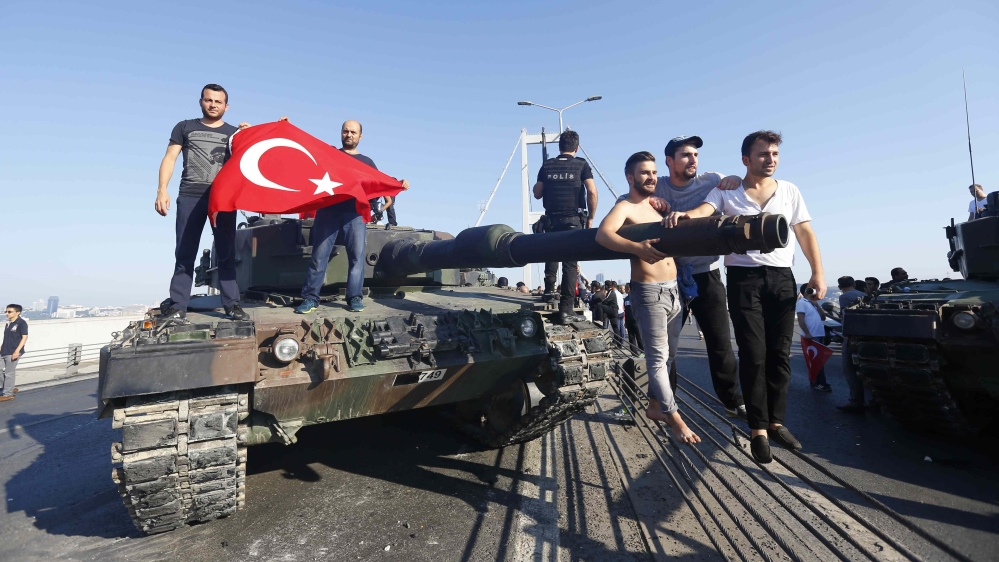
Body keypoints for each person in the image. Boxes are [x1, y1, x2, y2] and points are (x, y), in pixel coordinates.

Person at [665, 131, 825, 462]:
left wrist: (817, 273)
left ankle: (776, 421)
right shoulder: (729, 191)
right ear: (746, 159)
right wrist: (685, 216)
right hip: (743, 278)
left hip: (782, 278)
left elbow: (804, 231)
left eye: (775, 154)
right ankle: (758, 430)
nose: (771, 159)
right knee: (753, 353)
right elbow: (705, 209)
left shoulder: (790, 191)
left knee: (779, 354)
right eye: (764, 154)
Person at [596, 151, 700, 444]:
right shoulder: (625, 206)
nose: (651, 177)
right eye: (644, 173)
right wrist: (637, 248)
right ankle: (675, 418)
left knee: (669, 358)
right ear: (630, 177)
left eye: (654, 173)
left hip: (672, 289)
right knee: (656, 360)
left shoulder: (656, 208)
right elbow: (603, 235)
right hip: (649, 292)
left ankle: (655, 406)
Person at [645, 135, 746, 420]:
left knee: (720, 343)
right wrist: (648, 201)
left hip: (707, 274)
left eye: (695, 155)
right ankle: (666, 403)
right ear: (669, 161)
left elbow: (744, 188)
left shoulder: (712, 179)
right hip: (669, 277)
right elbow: (626, 201)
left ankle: (732, 399)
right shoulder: (658, 185)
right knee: (665, 348)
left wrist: (736, 178)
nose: (693, 160)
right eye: (686, 155)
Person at [295, 120, 410, 314]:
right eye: (346, 131)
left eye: (353, 132)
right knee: (319, 256)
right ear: (341, 133)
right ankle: (310, 298)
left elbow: (380, 180)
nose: (349, 135)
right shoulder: (330, 153)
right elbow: (307, 148)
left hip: (354, 214)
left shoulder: (367, 162)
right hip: (328, 211)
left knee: (356, 258)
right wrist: (290, 129)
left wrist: (398, 183)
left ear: (360, 136)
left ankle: (354, 297)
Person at [156, 84, 248, 321]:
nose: (213, 105)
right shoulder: (184, 127)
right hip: (190, 195)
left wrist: (257, 132)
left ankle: (231, 304)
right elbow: (169, 158)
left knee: (227, 252)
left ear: (226, 106)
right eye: (209, 100)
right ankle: (178, 306)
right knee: (185, 252)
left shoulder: (234, 133)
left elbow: (254, 156)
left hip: (222, 199)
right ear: (201, 102)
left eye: (218, 102)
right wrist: (162, 189)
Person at [532, 130, 598, 320]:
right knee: (570, 263)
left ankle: (549, 291)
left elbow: (537, 194)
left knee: (551, 253)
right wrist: (591, 218)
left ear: (559, 147)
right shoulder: (581, 165)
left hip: (551, 220)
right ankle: (566, 309)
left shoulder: (547, 166)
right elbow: (592, 192)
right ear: (576, 148)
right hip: (573, 221)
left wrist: (540, 184)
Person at [796, 287, 831, 392]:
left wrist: (817, 305)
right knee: (816, 360)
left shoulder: (812, 303)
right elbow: (800, 319)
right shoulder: (802, 302)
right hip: (812, 335)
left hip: (819, 334)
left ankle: (817, 381)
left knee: (818, 360)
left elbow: (823, 317)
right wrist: (807, 333)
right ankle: (819, 383)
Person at [1, 304, 28, 402]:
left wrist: (17, 351)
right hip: (4, 350)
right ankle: (10, 387)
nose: (7, 314)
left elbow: (24, 337)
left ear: (18, 312)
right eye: (6, 311)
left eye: (9, 312)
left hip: (13, 352)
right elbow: (6, 338)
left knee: (9, 373)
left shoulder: (21, 323)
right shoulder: (8, 323)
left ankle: (8, 394)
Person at [623, 283, 644, 355]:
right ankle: (633, 353)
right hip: (629, 321)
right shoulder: (625, 299)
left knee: (639, 337)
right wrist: (625, 321)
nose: (625, 289)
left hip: (636, 320)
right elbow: (625, 311)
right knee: (631, 338)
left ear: (629, 288)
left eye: (626, 288)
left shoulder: (636, 297)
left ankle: (643, 351)